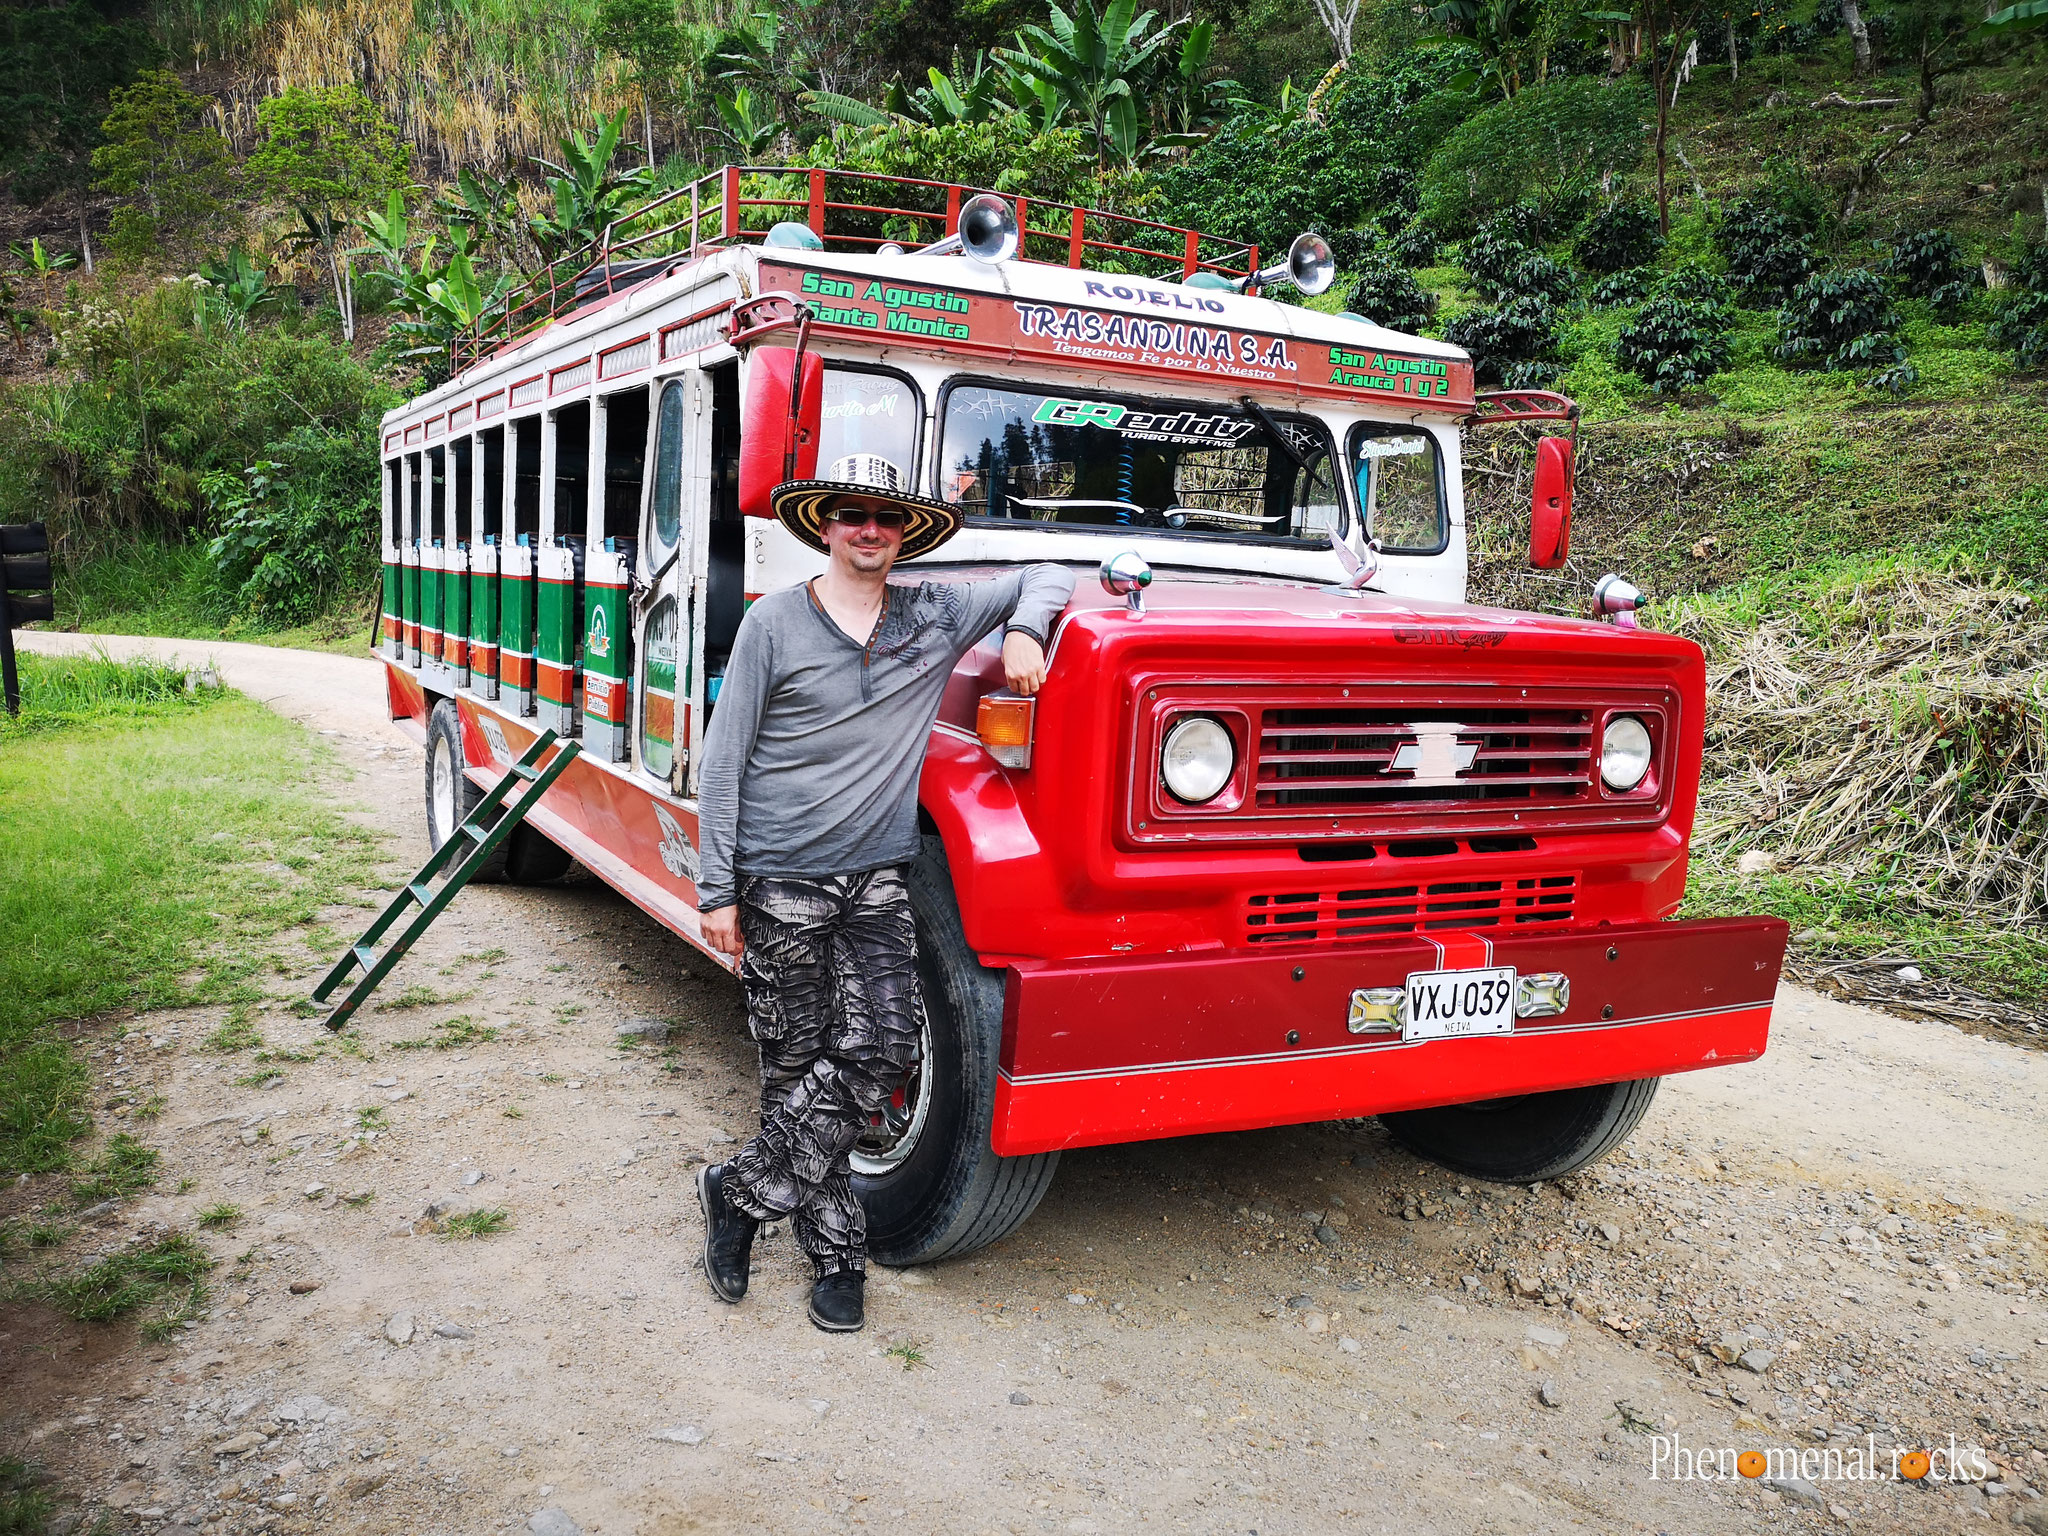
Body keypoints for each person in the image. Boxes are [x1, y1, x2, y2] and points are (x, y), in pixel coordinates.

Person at [691, 454, 1074, 1332]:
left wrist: (1024, 630)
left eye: (888, 518)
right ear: (824, 525)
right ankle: (836, 1258)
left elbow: (1047, 571)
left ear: (909, 533)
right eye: (854, 515)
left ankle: (739, 1193)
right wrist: (718, 891)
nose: (871, 530)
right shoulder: (774, 626)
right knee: (792, 1070)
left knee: (884, 1052)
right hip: (779, 876)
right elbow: (722, 761)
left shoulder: (933, 615)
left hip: (875, 878)